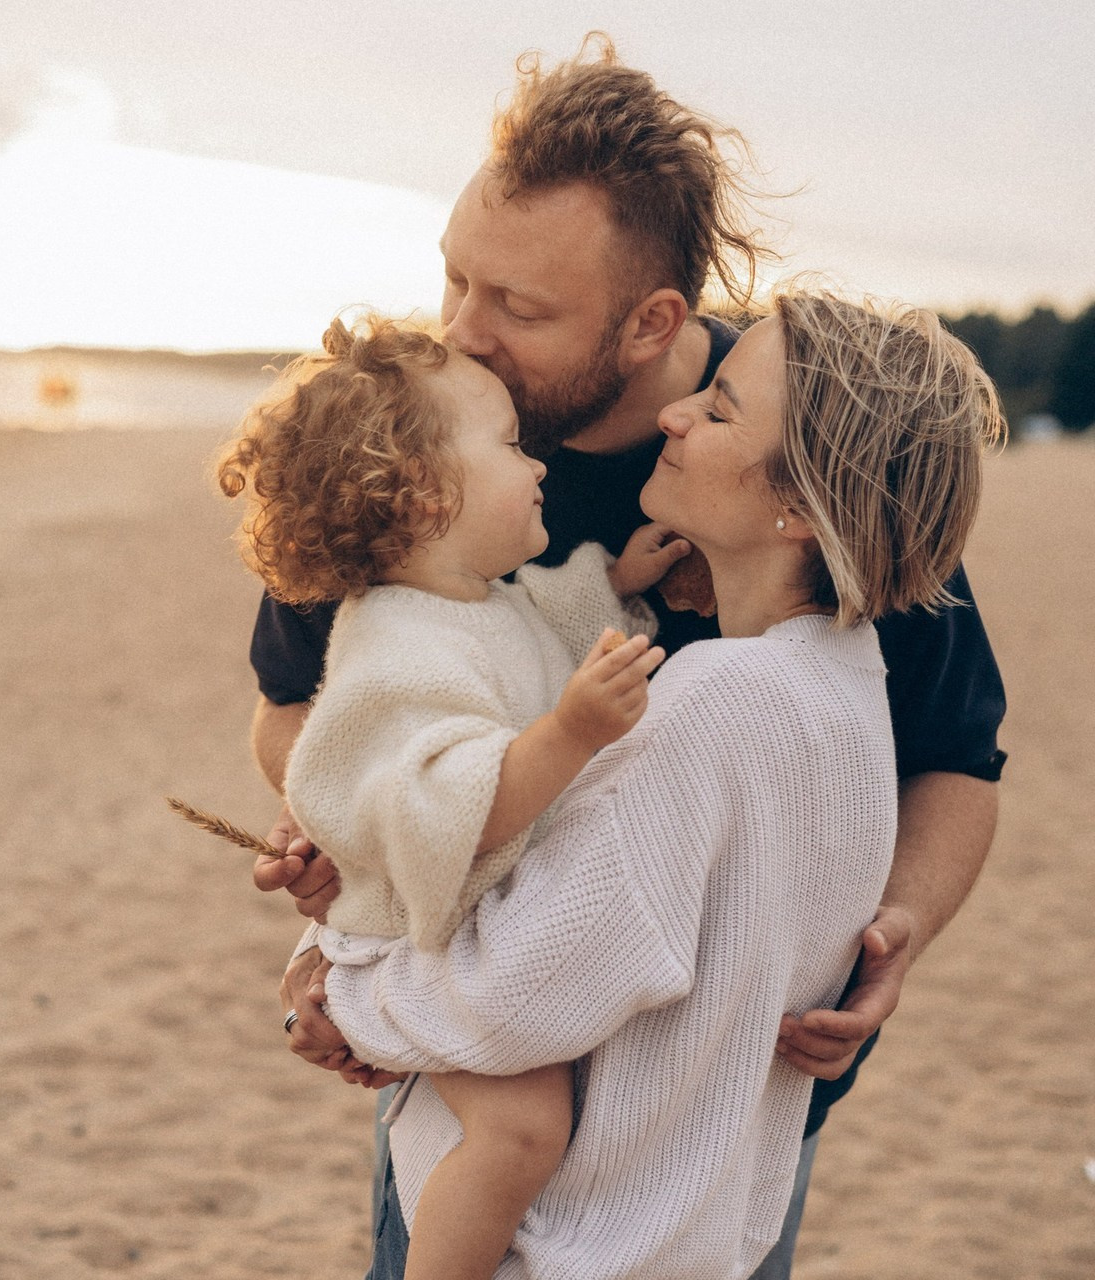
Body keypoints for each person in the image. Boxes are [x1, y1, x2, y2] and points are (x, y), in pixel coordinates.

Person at [252, 38, 1007, 1276]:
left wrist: (894, 933)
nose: (462, 332)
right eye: (455, 278)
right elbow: (299, 712)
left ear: (656, 319)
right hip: (479, 1079)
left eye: (519, 308)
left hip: (717, 1109)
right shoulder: (409, 441)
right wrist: (349, 843)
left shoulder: (807, 447)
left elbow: (951, 760)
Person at [217, 313, 675, 1280]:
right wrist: (572, 733)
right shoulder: (396, 645)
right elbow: (450, 808)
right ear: (425, 492)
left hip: (485, 935)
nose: (538, 465)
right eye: (511, 445)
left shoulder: (481, 596)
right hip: (414, 943)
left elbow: (547, 623)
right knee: (522, 1129)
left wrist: (617, 581)